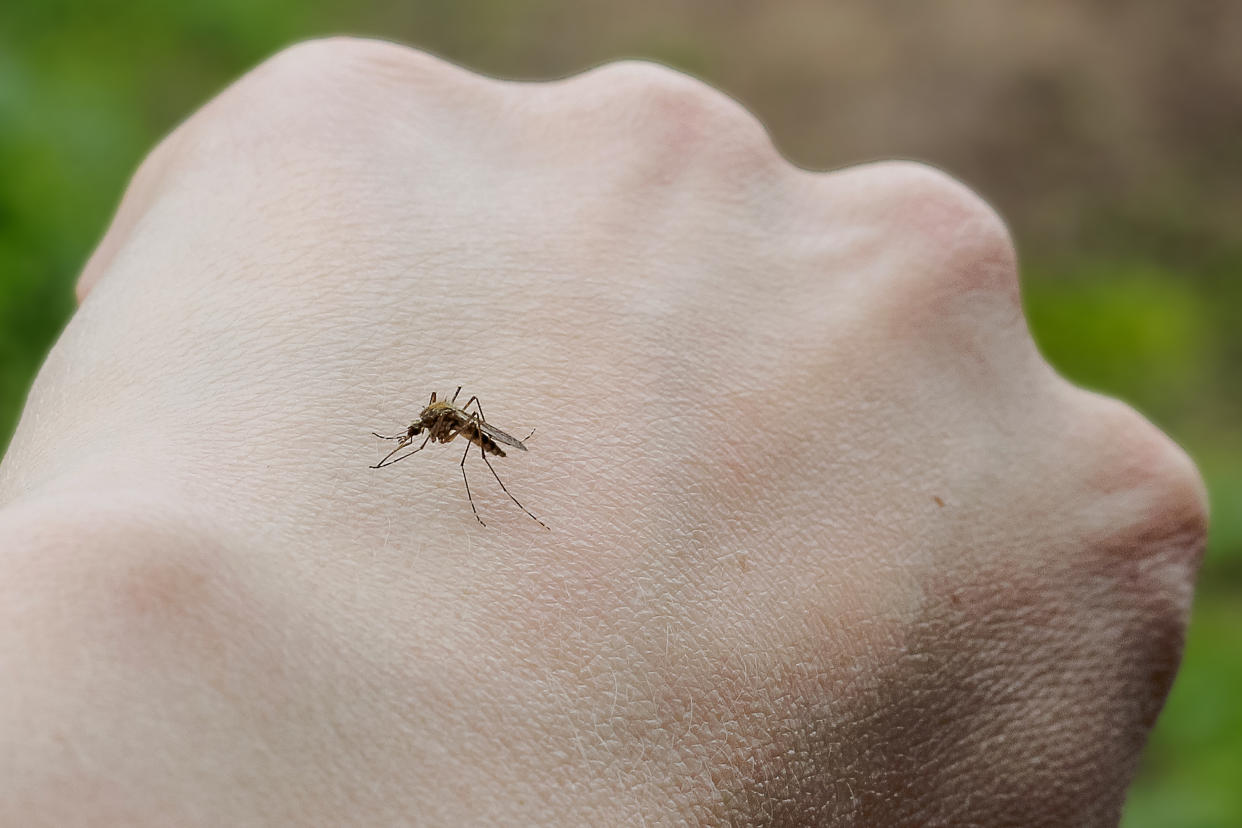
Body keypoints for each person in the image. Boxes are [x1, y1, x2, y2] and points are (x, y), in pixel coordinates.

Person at [0, 38, 1207, 826]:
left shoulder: (458, 426)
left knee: (470, 465)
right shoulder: (436, 413)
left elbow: (459, 420)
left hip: (485, 444)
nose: (436, 428)